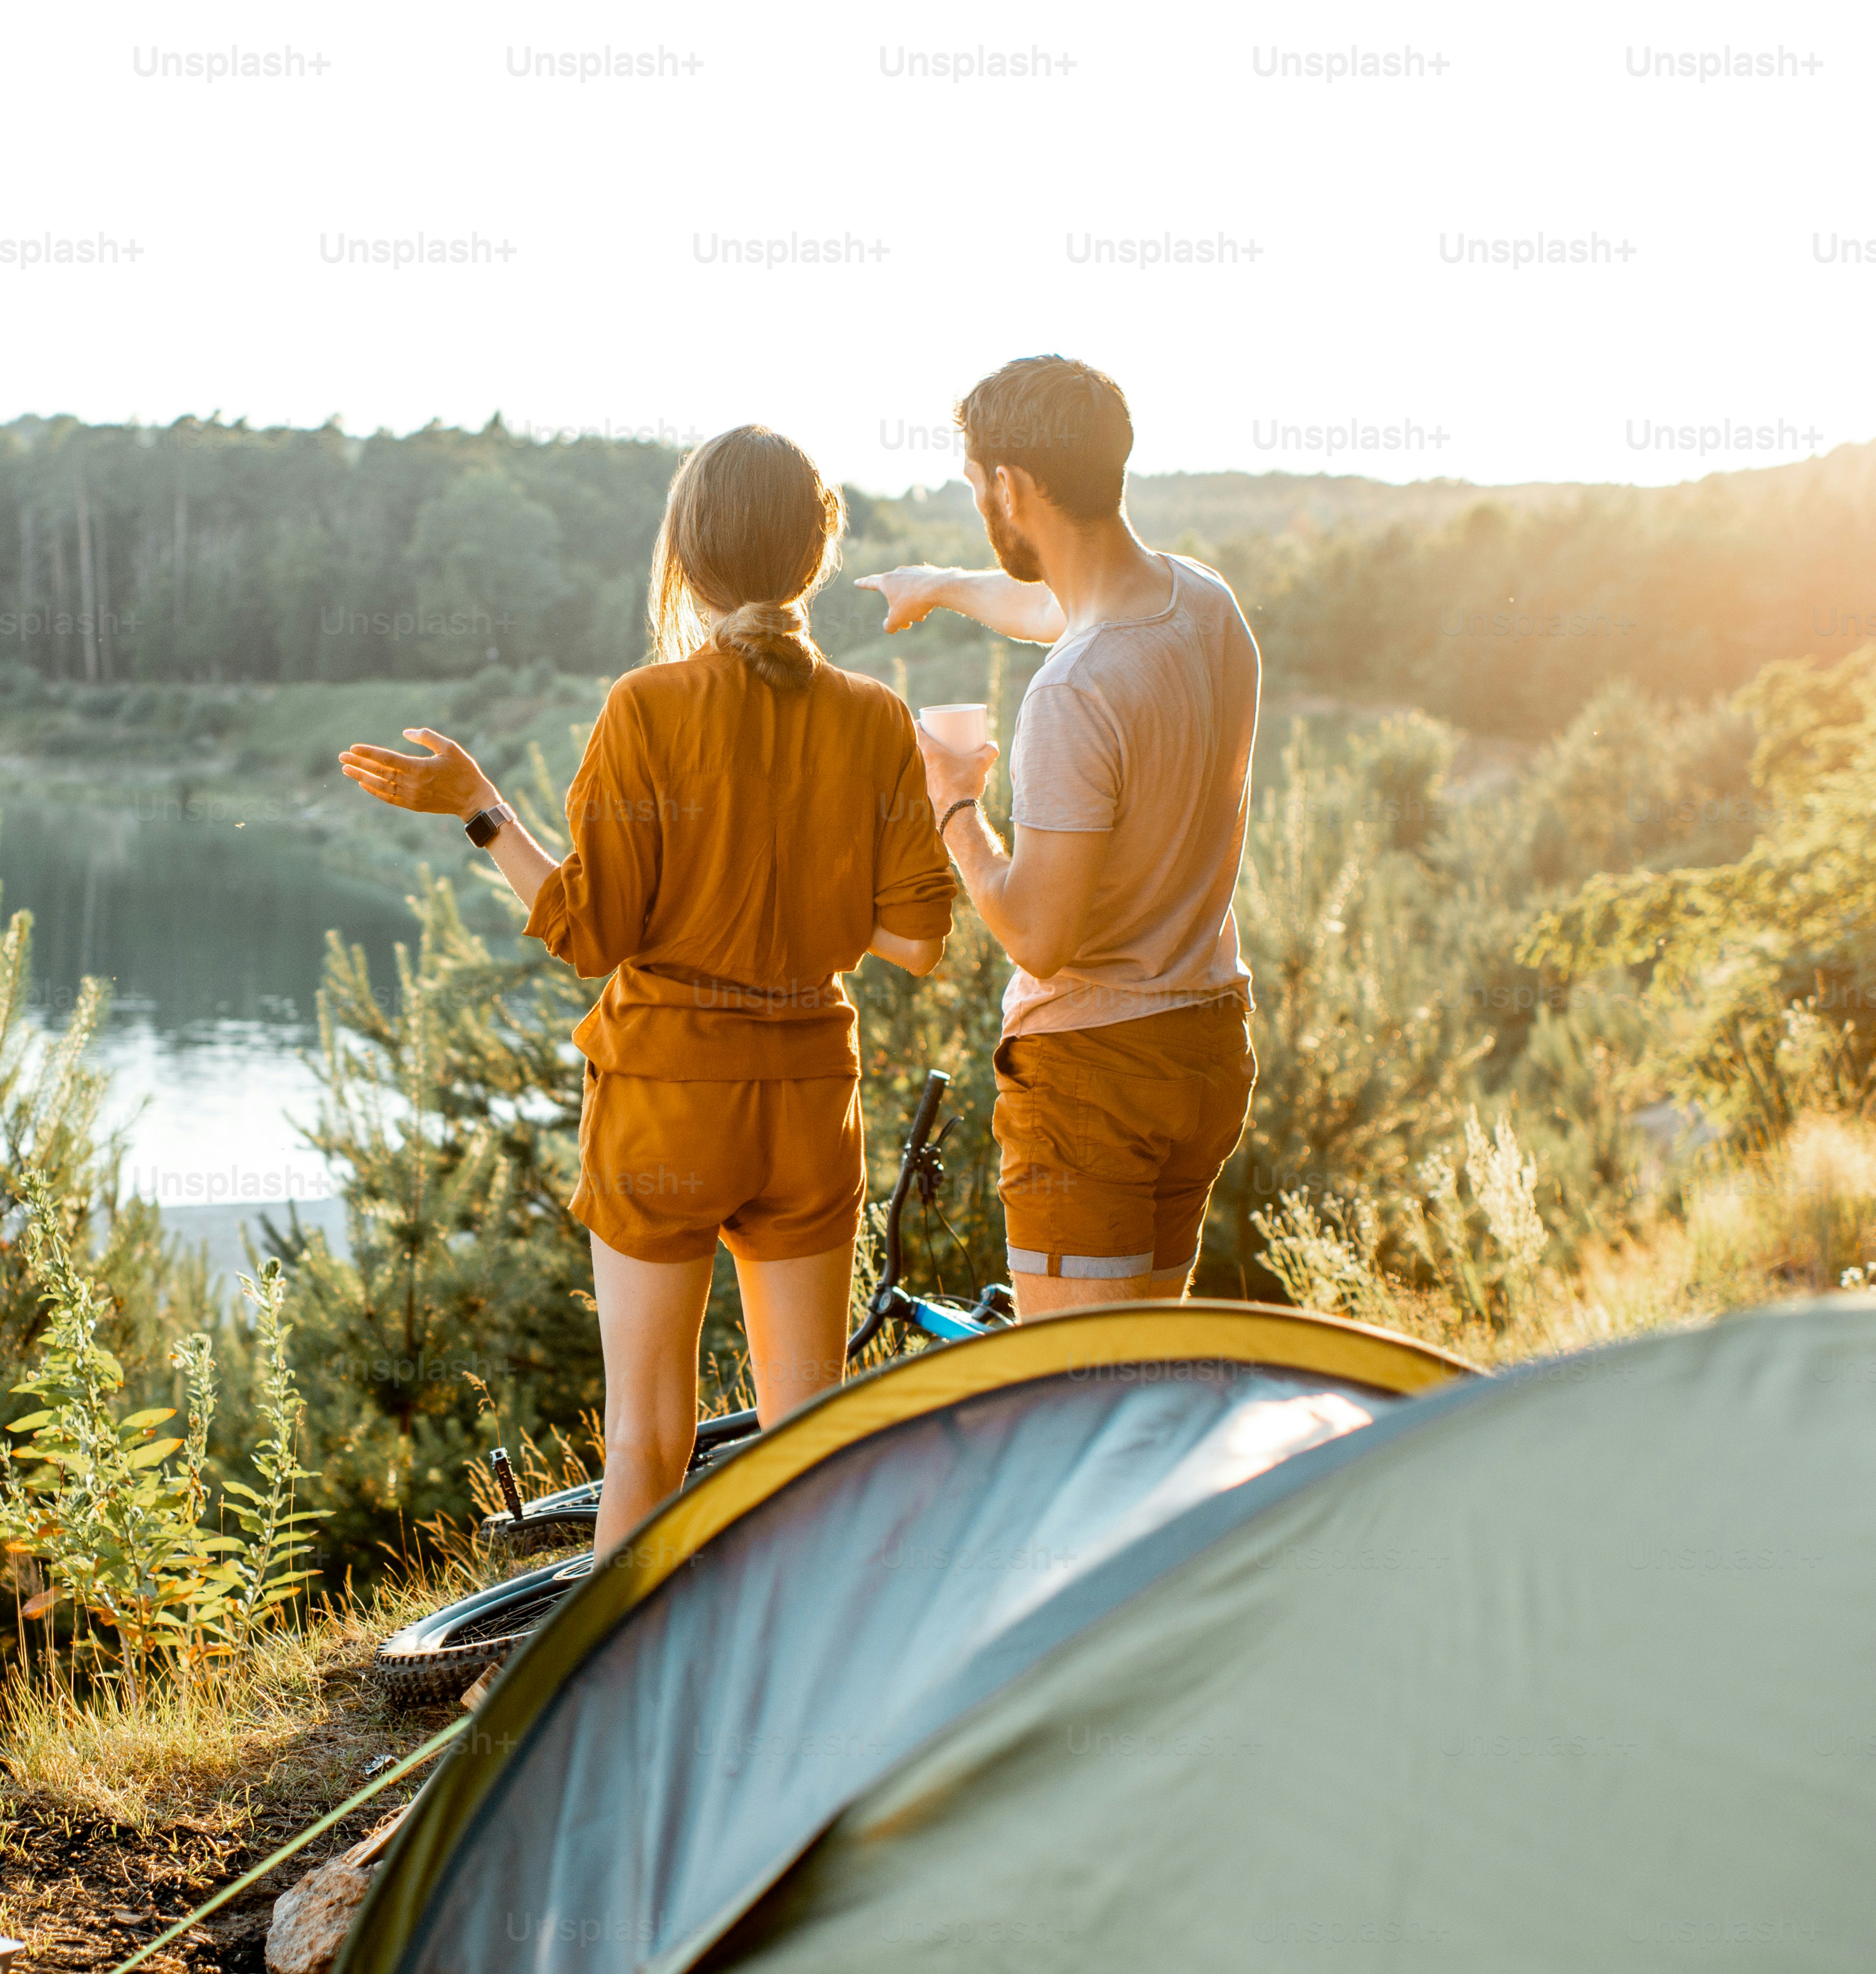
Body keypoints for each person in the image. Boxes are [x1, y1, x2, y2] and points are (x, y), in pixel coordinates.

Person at [339, 426, 953, 1556]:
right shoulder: (875, 718)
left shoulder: (646, 708)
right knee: (805, 1431)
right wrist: (803, 900)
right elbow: (919, 939)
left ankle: (618, 1701)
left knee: (647, 1442)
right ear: (815, 557)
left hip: (666, 1101)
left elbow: (590, 932)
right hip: (808, 1103)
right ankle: (811, 1686)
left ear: (687, 553)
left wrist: (482, 808)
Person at [859, 354, 1258, 1309]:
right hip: (1203, 1046)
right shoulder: (1203, 604)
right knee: (1141, 1381)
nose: (977, 507)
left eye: (974, 488)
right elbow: (1054, 607)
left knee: (1077, 1401)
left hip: (1095, 1076)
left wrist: (953, 803)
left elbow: (1040, 936)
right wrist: (941, 583)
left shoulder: (1075, 691)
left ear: (1009, 485)